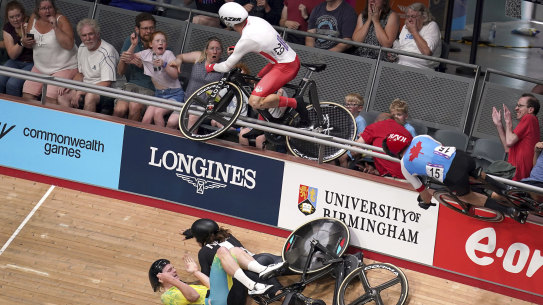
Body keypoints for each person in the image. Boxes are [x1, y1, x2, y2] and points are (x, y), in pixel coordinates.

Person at [383, 133, 528, 223]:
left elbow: (424, 193)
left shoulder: (404, 166)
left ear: (393, 154)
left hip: (453, 176)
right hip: (461, 157)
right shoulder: (420, 137)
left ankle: (509, 211)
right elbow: (440, 147)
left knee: (467, 196)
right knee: (477, 173)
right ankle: (507, 189)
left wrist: (426, 203)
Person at [209, 2, 310, 127]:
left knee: (255, 101)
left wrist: (210, 66)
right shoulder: (255, 20)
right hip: (285, 60)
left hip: (284, 66)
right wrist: (237, 48)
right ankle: (262, 125)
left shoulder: (247, 39)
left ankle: (295, 102)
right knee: (256, 83)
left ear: (227, 22)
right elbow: (260, 41)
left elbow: (226, 66)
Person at [182, 218, 287, 305]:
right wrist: (193, 233)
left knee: (248, 276)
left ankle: (283, 297)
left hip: (248, 273)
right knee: (289, 264)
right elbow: (209, 231)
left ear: (200, 238)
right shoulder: (227, 235)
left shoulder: (203, 252)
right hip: (261, 258)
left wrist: (194, 275)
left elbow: (207, 279)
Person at [21, 0, 78, 104]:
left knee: (50, 97)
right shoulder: (33, 18)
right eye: (43, 8)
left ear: (54, 8)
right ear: (38, 11)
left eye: (50, 7)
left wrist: (55, 27)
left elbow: (69, 45)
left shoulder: (61, 20)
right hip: (40, 67)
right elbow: (30, 44)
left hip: (63, 67)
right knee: (27, 94)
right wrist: (24, 42)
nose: (47, 11)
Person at [57, 19, 119, 112]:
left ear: (97, 34)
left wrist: (82, 91)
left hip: (108, 91)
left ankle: (85, 126)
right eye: (84, 35)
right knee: (63, 96)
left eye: (91, 34)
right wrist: (73, 86)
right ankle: (69, 123)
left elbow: (107, 83)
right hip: (87, 87)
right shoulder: (82, 47)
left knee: (89, 97)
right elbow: (80, 74)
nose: (88, 38)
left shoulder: (107, 51)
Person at [127, 31, 184, 127]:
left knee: (158, 113)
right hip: (159, 95)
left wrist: (164, 64)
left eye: (163, 41)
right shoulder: (147, 54)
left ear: (166, 45)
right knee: (146, 119)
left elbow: (175, 75)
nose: (161, 43)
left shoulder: (168, 54)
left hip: (173, 94)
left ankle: (161, 140)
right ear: (151, 44)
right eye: (157, 41)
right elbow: (128, 58)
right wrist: (133, 45)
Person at [168, 36, 225, 129]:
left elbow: (241, 69)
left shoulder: (224, 65)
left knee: (192, 120)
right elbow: (181, 56)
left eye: (218, 49)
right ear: (206, 50)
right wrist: (178, 61)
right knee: (171, 122)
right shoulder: (199, 57)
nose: (215, 51)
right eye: (212, 48)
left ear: (221, 51)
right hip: (187, 102)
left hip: (205, 106)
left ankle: (188, 143)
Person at [113, 12, 157, 122]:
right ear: (137, 29)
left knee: (134, 107)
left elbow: (163, 75)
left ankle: (129, 137)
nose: (148, 31)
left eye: (151, 28)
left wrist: (143, 66)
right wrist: (128, 53)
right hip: (130, 85)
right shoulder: (131, 41)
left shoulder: (160, 43)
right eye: (145, 28)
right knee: (119, 109)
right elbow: (120, 71)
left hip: (150, 88)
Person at [492, 94, 540, 181]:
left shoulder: (529, 118)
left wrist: (508, 122)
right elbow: (507, 148)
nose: (516, 108)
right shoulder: (528, 123)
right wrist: (499, 124)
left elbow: (509, 141)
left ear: (531, 109)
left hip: (518, 176)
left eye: (520, 106)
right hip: (513, 174)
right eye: (517, 105)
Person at [351, 113, 413, 178]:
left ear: (379, 120)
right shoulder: (406, 132)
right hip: (412, 176)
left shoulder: (376, 126)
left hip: (392, 176)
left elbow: (354, 150)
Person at [392, 2, 441, 70]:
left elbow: (427, 52)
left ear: (424, 17)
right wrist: (393, 54)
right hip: (400, 66)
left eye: (413, 16)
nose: (409, 20)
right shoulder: (406, 27)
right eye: (408, 16)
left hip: (421, 69)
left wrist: (413, 31)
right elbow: (401, 47)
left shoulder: (432, 26)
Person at [0, 1, 34, 97]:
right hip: (15, 61)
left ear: (23, 14)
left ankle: (13, 109)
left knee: (12, 84)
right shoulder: (8, 27)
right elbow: (12, 55)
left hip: (32, 62)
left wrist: (27, 32)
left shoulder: (30, 24)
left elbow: (31, 46)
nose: (15, 20)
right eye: (12, 17)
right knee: (1, 79)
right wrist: (21, 42)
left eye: (18, 16)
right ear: (8, 18)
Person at [337, 93, 367, 168]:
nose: (348, 107)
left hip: (354, 146)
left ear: (360, 108)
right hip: (343, 144)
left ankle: (344, 173)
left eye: (352, 105)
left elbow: (362, 137)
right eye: (347, 104)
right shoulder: (344, 118)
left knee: (342, 158)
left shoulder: (360, 120)